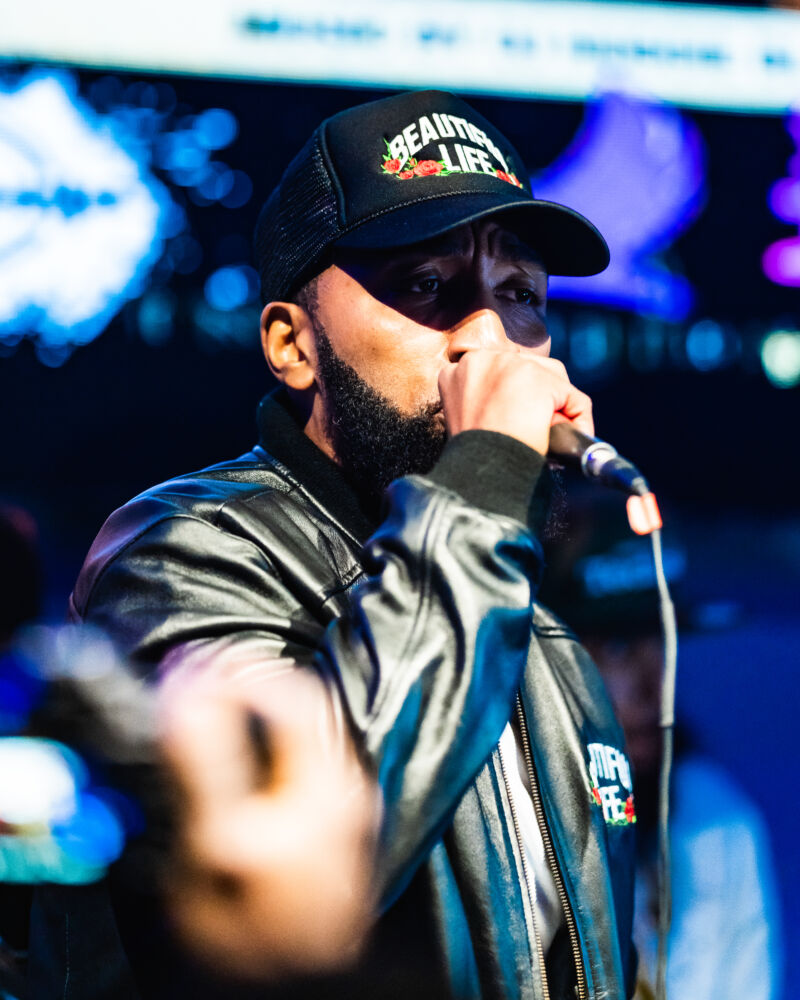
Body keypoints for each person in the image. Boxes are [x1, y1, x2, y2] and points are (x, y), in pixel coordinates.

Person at [31, 89, 637, 999]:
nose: (490, 342)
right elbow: (310, 874)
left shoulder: (542, 643)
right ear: (293, 344)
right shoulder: (183, 555)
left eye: (520, 295)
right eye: (426, 285)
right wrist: (485, 473)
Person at [539, 493, 783, 1000]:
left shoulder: (719, 822)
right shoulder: (493, 818)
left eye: (665, 644)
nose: (658, 689)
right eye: (620, 648)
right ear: (543, 660)